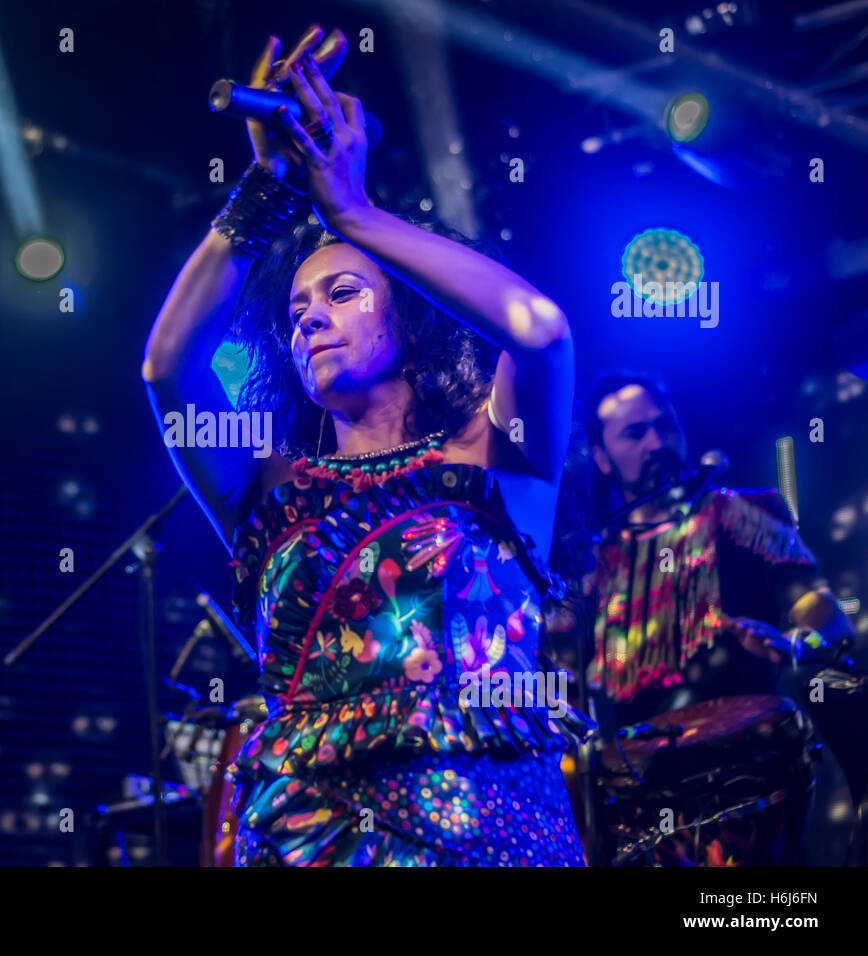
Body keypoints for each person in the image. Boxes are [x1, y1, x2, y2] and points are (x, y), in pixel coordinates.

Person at [142, 24, 592, 865]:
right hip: (304, 841)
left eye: (343, 292)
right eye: (297, 309)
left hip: (483, 839)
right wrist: (267, 187)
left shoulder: (498, 463)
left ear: (410, 315)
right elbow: (167, 366)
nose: (309, 314)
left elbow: (538, 330)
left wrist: (352, 210)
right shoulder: (269, 490)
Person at [577, 370, 857, 864]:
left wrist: (795, 643)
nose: (658, 442)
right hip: (646, 813)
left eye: (666, 425)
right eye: (634, 432)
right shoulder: (592, 571)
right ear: (600, 457)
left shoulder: (742, 517)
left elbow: (828, 618)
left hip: (761, 790)